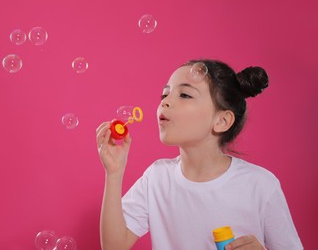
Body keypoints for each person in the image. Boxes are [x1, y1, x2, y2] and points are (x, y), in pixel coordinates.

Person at [95, 59, 303, 250]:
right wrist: (114, 173)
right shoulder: (157, 178)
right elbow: (114, 246)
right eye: (165, 94)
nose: (165, 102)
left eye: (184, 94)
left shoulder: (260, 185)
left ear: (222, 121)